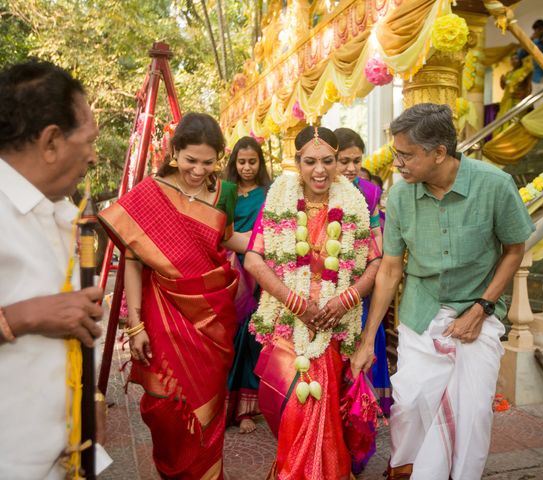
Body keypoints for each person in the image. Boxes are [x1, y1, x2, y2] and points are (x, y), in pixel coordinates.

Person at [351, 103, 535, 480]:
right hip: (421, 311)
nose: (397, 163)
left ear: (439, 153)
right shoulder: (401, 196)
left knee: (472, 412)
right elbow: (390, 267)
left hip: (477, 312)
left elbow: (515, 249)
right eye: (396, 153)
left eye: (406, 155)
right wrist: (368, 339)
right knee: (411, 402)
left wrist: (481, 308)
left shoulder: (494, 185)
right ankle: (408, 470)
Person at [99, 113, 243, 479]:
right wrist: (135, 326)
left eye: (208, 162)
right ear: (174, 151)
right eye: (190, 160)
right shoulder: (150, 193)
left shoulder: (224, 192)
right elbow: (133, 260)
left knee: (208, 409)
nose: (198, 170)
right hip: (162, 312)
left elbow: (224, 239)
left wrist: (275, 242)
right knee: (164, 408)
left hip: (211, 320)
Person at [244, 126, 381, 479]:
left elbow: (375, 262)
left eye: (327, 161)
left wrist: (346, 299)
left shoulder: (354, 203)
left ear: (337, 162)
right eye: (310, 161)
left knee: (327, 409)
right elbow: (253, 260)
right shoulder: (277, 201)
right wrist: (296, 302)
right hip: (290, 324)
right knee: (293, 408)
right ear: (297, 162)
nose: (319, 170)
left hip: (335, 325)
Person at [0, 60, 103, 479]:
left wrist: (88, 404)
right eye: (89, 141)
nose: (94, 157)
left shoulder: (61, 214)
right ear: (51, 142)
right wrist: (22, 318)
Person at [334, 127, 392, 416]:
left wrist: (378, 270)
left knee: (365, 341)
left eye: (357, 161)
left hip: (363, 284)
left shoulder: (369, 191)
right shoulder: (320, 188)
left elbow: (376, 237)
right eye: (344, 160)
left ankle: (360, 418)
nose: (351, 168)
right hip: (329, 284)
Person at [224, 136, 271, 434]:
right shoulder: (225, 191)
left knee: (251, 339)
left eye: (252, 161)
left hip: (256, 273)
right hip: (227, 272)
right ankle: (223, 404)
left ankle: (246, 411)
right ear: (234, 163)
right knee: (227, 337)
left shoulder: (268, 194)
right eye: (241, 162)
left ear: (260, 163)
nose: (247, 167)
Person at [497, 54, 532, 131]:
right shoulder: (508, 73)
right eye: (512, 59)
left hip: (518, 99)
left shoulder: (524, 70)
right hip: (506, 101)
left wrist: (526, 94)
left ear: (520, 60)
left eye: (516, 59)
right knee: (503, 121)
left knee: (516, 121)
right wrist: (501, 81)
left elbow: (525, 84)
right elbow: (504, 88)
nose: (513, 61)